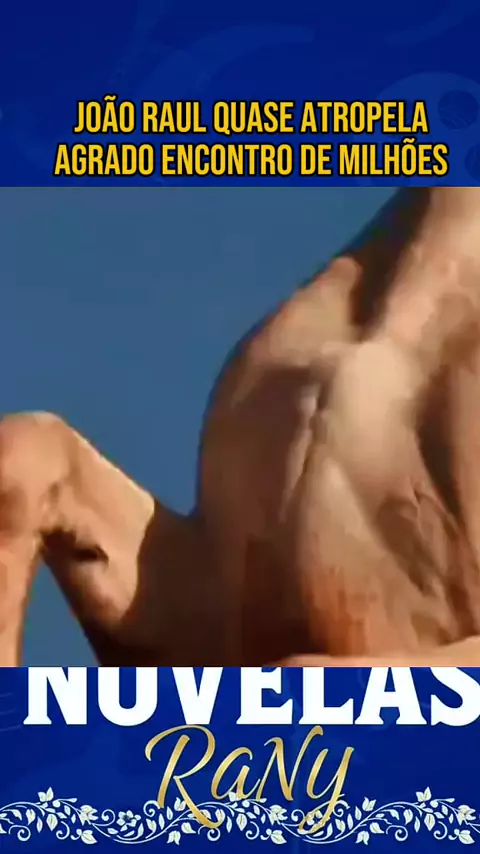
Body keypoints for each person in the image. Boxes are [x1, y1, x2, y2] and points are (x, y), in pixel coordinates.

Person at [2, 187, 480, 668]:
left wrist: (360, 683)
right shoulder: (327, 310)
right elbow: (217, 615)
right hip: (261, 692)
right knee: (28, 459)